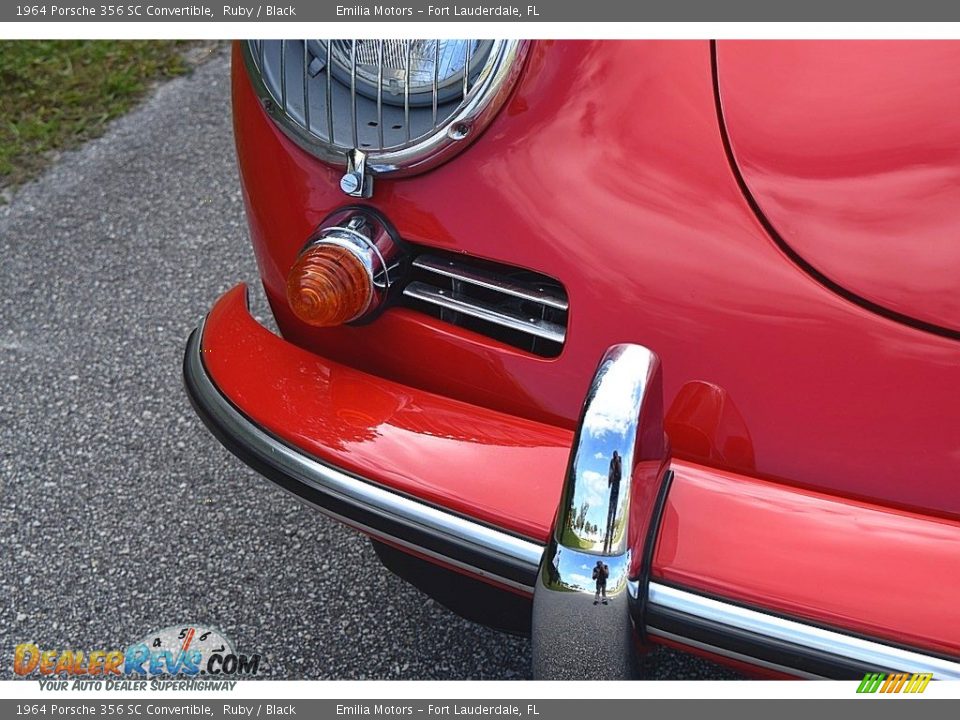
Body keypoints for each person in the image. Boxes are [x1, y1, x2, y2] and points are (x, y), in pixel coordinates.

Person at [603, 450, 623, 553]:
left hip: (618, 486)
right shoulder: (612, 461)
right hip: (613, 486)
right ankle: (607, 539)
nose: (614, 457)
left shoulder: (619, 460)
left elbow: (620, 474)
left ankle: (611, 542)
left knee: (615, 510)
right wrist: (609, 483)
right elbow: (611, 471)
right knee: (610, 511)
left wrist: (617, 464)